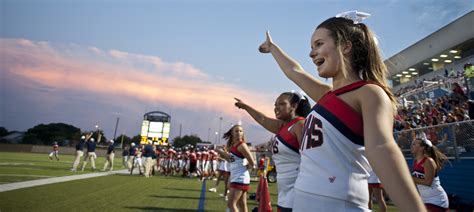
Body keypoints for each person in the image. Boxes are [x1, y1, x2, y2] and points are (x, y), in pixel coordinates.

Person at [258, 11, 424, 211]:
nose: (311, 53)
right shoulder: (328, 96)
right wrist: (273, 48)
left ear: (345, 46)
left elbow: (382, 150)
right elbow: (295, 72)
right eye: (311, 47)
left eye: (319, 44)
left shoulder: (368, 93)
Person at [234, 91, 310, 211]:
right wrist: (245, 106)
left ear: (294, 106)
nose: (276, 108)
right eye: (275, 105)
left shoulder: (300, 124)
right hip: (284, 190)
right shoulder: (282, 126)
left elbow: (310, 158)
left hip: (298, 190)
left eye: (281, 104)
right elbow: (262, 119)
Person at [216, 125, 255, 212]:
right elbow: (231, 160)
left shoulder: (242, 145)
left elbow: (252, 162)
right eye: (236, 131)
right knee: (242, 204)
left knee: (231, 204)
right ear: (232, 133)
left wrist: (246, 167)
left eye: (241, 131)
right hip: (236, 176)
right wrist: (219, 151)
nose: (239, 133)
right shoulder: (234, 145)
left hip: (240, 178)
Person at [411, 138, 449, 211]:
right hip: (424, 199)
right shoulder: (415, 161)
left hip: (436, 200)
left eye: (414, 144)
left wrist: (411, 178)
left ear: (422, 148)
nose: (412, 146)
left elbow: (428, 182)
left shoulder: (428, 161)